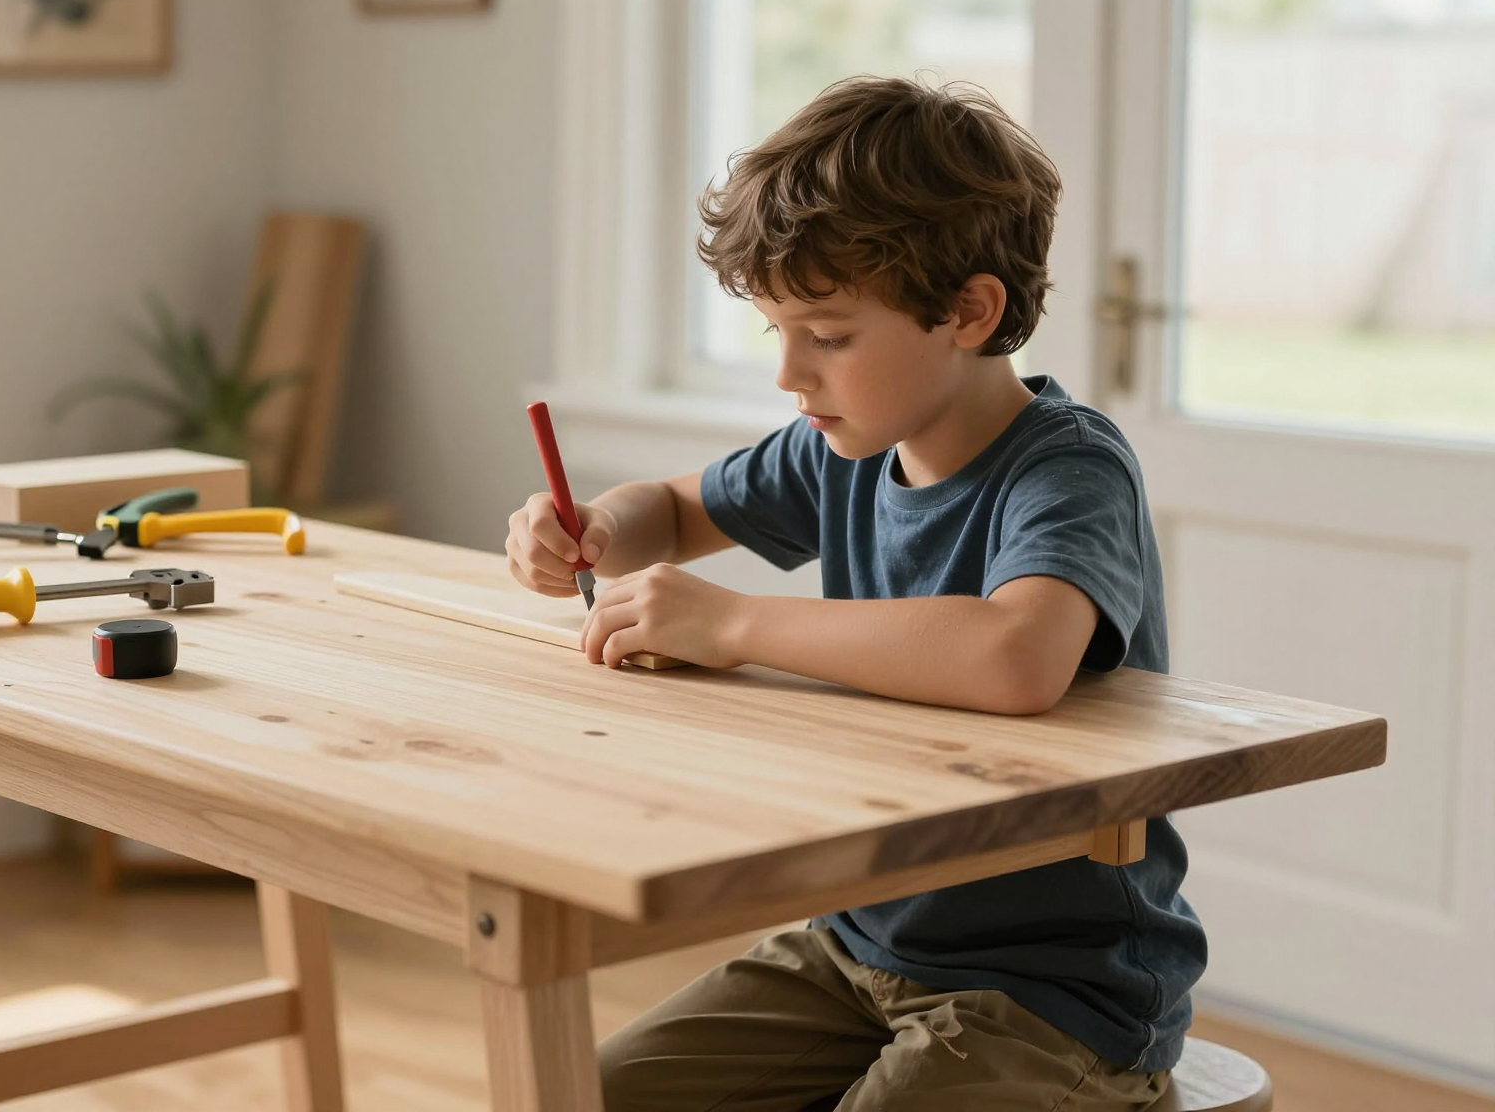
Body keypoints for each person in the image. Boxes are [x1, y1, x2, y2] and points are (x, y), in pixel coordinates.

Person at [505, 76, 1203, 1111]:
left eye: (826, 335)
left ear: (968, 311)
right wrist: (596, 527)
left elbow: (1014, 656)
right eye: (774, 330)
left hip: (1055, 988)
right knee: (583, 1095)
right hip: (853, 942)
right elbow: (668, 506)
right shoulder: (835, 449)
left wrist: (734, 621)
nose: (789, 373)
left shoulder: (1066, 470)